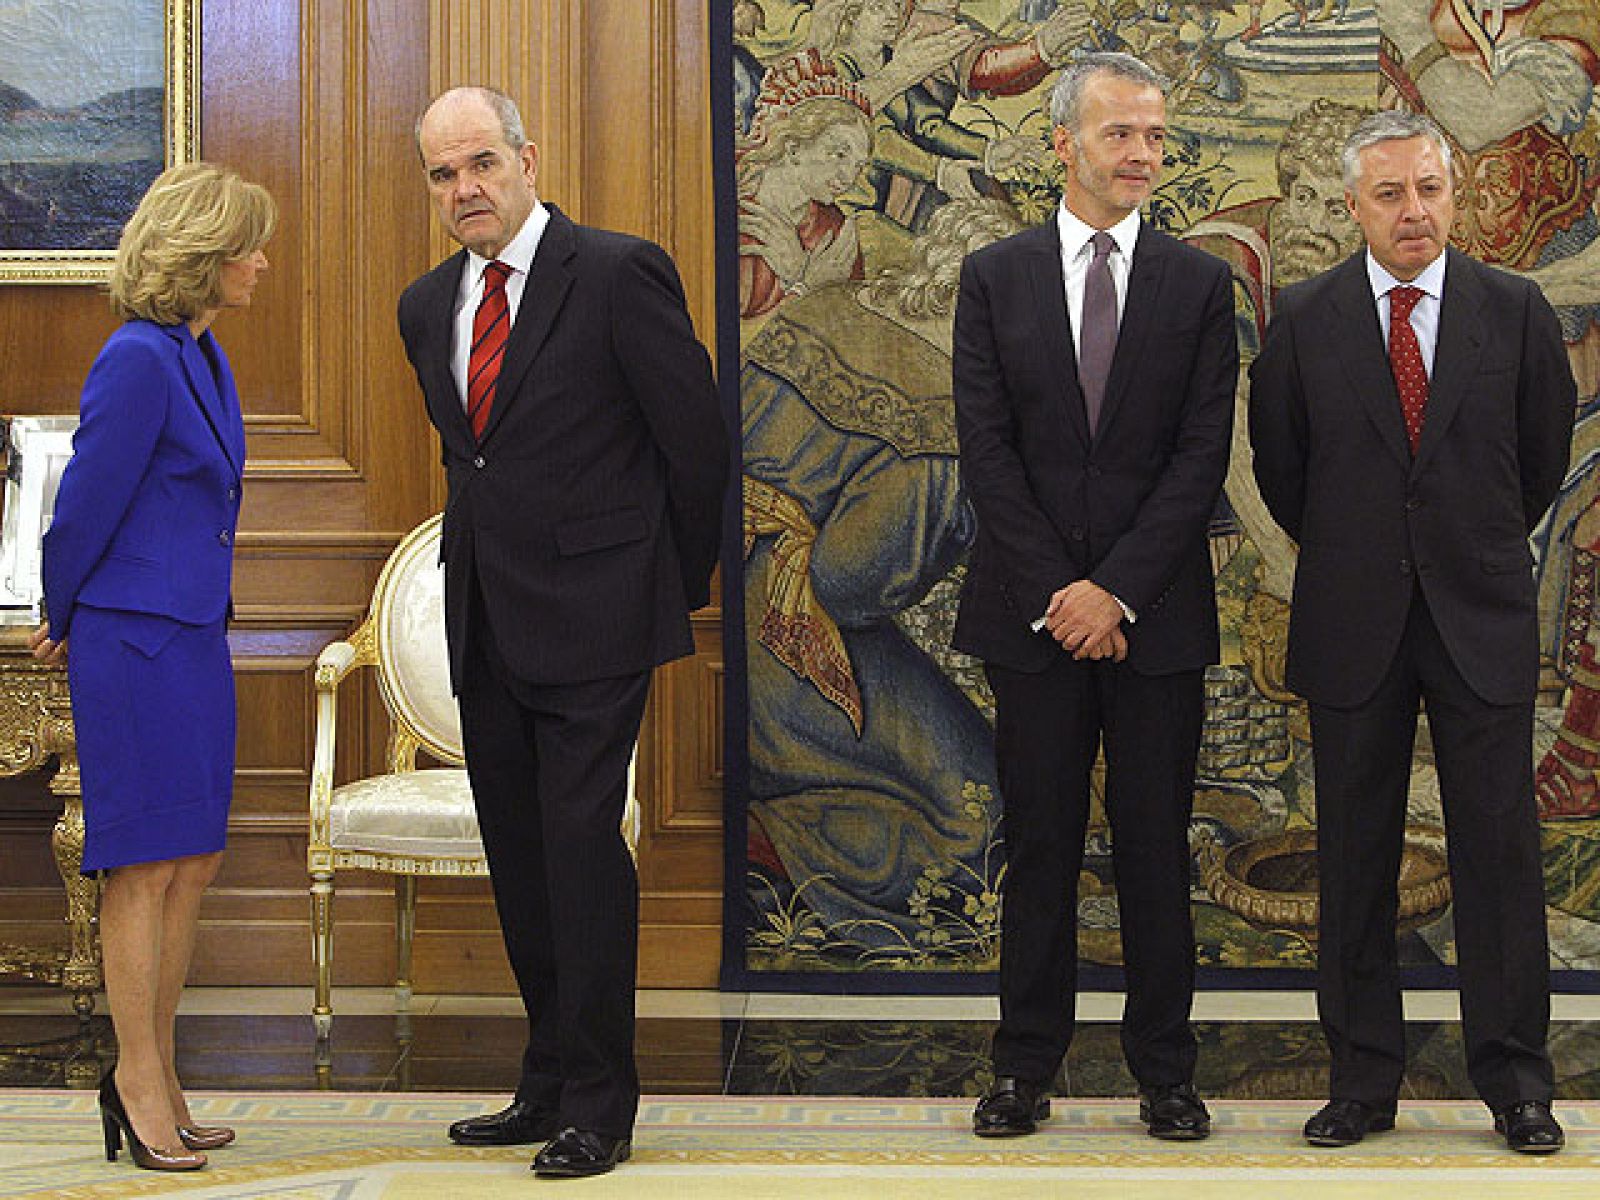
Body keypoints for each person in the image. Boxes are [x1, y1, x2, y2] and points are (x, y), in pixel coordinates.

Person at [397, 87, 727, 1179]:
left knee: (582, 851)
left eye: (481, 163)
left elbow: (696, 444)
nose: (465, 189)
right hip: (486, 618)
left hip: (600, 618)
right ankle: (543, 1081)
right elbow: (474, 463)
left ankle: (599, 1103)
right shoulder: (424, 305)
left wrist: (663, 586)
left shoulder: (619, 272)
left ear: (527, 160)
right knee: (523, 857)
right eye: (443, 174)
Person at [1248, 109, 1576, 1154]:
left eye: (1429, 189)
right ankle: (1360, 1081)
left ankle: (1517, 1084)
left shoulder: (1514, 312)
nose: (1413, 211)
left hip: (1479, 615)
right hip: (1354, 620)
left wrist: (1459, 546)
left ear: (1454, 195)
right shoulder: (1303, 318)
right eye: (1389, 193)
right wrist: (1362, 552)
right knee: (1354, 857)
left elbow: (1537, 462)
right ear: (1354, 206)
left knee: (1498, 857)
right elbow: (1282, 470)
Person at [952, 52, 1236, 1140]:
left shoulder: (1198, 285)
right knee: (1040, 848)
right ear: (1064, 143)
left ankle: (1167, 1074)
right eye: (1121, 134)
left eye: (1156, 136)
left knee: (1156, 849)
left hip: (1155, 619)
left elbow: (1199, 459)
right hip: (1031, 621)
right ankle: (1023, 1069)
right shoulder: (995, 277)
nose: (1142, 155)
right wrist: (1061, 594)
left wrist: (1113, 592)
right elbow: (987, 452)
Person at [31, 162, 274, 1172]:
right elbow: (83, 503)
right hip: (132, 640)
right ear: (206, 257)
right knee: (143, 862)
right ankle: (134, 1078)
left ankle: (160, 1072)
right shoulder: (137, 357)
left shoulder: (199, 354)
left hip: (191, 635)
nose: (262, 264)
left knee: (193, 858)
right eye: (249, 247)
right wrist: (60, 610)